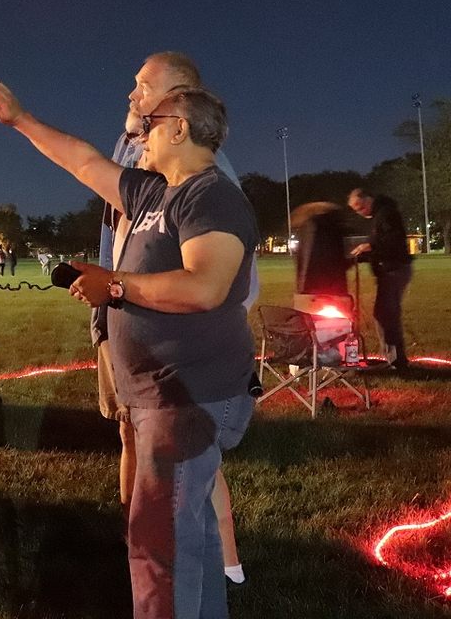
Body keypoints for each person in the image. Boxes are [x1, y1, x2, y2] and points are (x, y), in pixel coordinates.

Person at [0, 73, 258, 619]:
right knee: (191, 539)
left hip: (188, 396)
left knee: (159, 546)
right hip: (163, 395)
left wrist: (115, 284)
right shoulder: (157, 190)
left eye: (152, 125)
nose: (142, 136)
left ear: (179, 129)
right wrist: (22, 122)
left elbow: (205, 287)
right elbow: (85, 162)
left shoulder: (212, 198)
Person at [92, 52, 256, 586]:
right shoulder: (148, 165)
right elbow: (91, 181)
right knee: (144, 453)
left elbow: (213, 285)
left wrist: (116, 290)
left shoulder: (206, 181)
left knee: (183, 488)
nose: (133, 96)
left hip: (184, 366)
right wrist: (105, 328)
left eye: (145, 88)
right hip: (142, 349)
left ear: (179, 109)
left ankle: (216, 563)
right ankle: (194, 564)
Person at [347, 188, 413, 369]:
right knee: (385, 314)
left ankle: (396, 361)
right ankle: (393, 358)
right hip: (390, 269)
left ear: (368, 200)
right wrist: (362, 255)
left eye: (360, 208)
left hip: (394, 269)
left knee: (386, 314)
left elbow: (392, 241)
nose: (360, 213)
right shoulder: (380, 214)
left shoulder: (386, 213)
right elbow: (380, 245)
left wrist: (370, 246)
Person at [291, 201, 350, 298]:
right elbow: (346, 257)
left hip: (313, 286)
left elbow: (305, 260)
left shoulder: (309, 229)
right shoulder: (338, 226)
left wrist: (301, 286)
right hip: (337, 285)